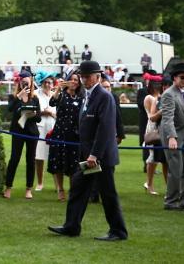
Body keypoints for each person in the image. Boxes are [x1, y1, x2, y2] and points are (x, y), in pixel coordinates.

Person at [48, 60, 128, 241]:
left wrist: (94, 155)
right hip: (89, 156)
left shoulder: (104, 97)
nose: (84, 79)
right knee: (78, 188)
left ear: (97, 76)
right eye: (82, 76)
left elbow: (106, 129)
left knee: (107, 193)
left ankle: (118, 231)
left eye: (87, 76)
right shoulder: (88, 95)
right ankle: (71, 226)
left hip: (100, 157)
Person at [160, 62, 184, 211]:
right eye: (182, 77)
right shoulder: (169, 94)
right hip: (174, 135)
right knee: (176, 170)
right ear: (174, 78)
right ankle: (170, 202)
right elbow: (167, 118)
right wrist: (171, 137)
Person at [3, 71, 40, 200]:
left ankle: (29, 189)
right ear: (19, 83)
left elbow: (39, 118)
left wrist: (32, 114)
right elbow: (10, 109)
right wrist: (19, 96)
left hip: (31, 132)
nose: (25, 84)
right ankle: (8, 187)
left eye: (27, 82)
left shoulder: (35, 98)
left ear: (31, 83)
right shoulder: (14, 97)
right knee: (14, 158)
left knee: (31, 160)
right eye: (23, 82)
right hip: (18, 131)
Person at [48, 72, 83, 202]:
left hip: (74, 135)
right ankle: (60, 189)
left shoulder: (81, 98)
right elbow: (52, 103)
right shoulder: (62, 95)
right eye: (72, 79)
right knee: (58, 161)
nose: (74, 82)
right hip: (60, 132)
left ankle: (72, 189)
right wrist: (58, 88)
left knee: (73, 163)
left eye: (76, 80)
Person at [142, 77, 168, 195]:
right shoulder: (150, 98)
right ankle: (149, 184)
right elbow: (152, 116)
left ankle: (153, 184)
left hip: (160, 127)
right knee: (153, 157)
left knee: (161, 159)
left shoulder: (161, 97)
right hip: (153, 128)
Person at [34, 72, 56, 192]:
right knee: (39, 156)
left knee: (54, 156)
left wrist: (52, 113)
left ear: (53, 84)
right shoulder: (36, 94)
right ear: (42, 83)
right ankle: (40, 183)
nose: (47, 84)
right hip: (40, 128)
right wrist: (44, 112)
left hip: (53, 128)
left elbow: (60, 114)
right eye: (45, 82)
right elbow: (34, 111)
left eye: (49, 82)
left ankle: (58, 185)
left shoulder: (56, 95)